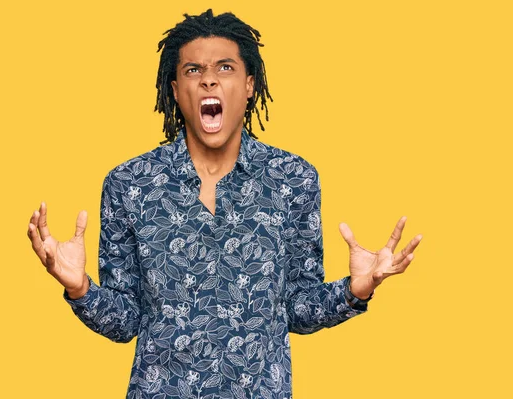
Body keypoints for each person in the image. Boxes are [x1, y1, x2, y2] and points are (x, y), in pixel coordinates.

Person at [27, 9, 422, 399]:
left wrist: (357, 290)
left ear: (250, 86)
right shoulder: (130, 184)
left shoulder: (293, 178)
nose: (209, 79)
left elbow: (297, 310)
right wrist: (80, 289)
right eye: (193, 70)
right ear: (176, 89)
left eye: (225, 68)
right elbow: (126, 321)